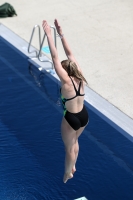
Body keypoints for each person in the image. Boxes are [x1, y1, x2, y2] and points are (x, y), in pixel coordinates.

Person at [42, 19, 89, 183]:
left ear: (65, 71)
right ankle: (74, 165)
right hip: (84, 116)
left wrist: (49, 34)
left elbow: (55, 57)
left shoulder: (67, 82)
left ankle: (68, 172)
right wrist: (61, 34)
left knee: (69, 148)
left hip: (71, 118)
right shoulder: (80, 76)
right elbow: (70, 55)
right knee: (75, 141)